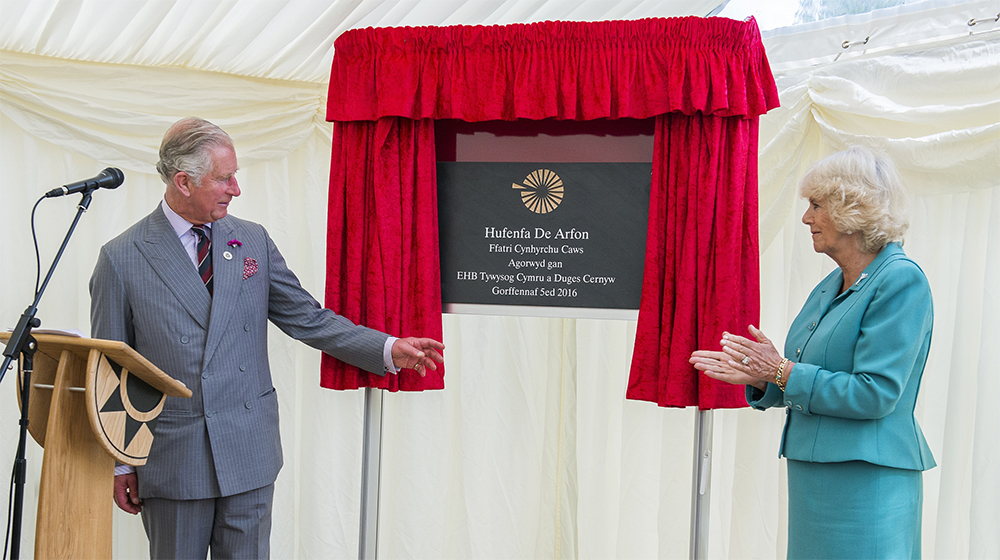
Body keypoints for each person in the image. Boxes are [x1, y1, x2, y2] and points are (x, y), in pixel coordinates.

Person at [90, 117, 444, 558]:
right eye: (224, 178)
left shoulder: (252, 240)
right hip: (174, 458)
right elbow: (110, 371)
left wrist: (387, 347)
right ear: (183, 181)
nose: (236, 188)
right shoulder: (122, 258)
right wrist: (121, 462)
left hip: (249, 449)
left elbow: (307, 318)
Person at [689, 146, 935, 559]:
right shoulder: (830, 284)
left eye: (816, 205)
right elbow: (809, 377)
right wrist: (763, 377)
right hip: (814, 477)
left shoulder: (900, 281)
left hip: (868, 481)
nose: (807, 218)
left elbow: (873, 394)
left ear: (850, 209)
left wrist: (782, 371)